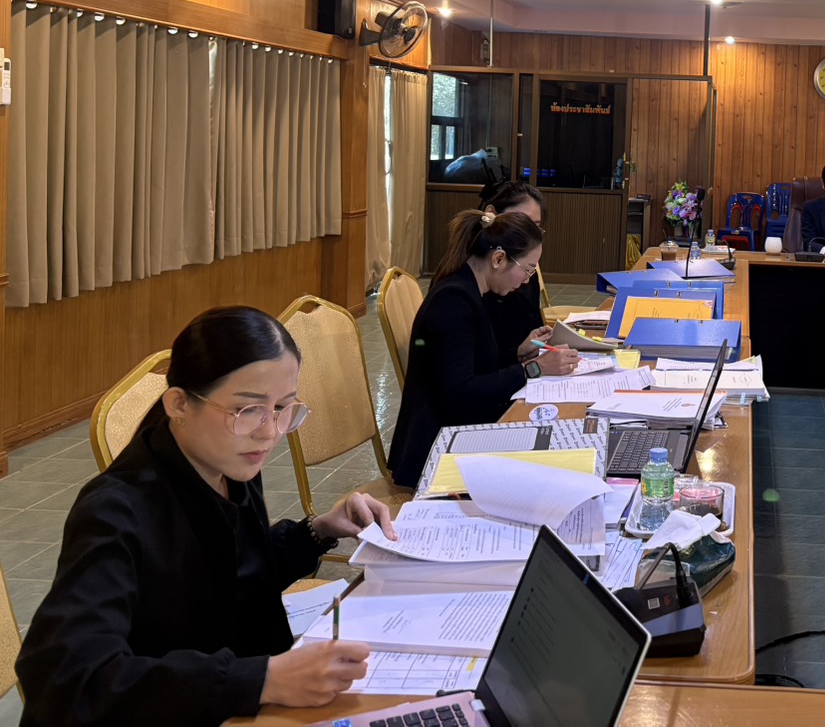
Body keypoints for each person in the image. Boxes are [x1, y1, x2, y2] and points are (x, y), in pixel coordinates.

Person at [15, 307, 399, 726]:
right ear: (179, 403)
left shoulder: (229, 464)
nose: (269, 432)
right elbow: (66, 681)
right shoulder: (115, 511)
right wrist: (261, 680)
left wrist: (318, 530)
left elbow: (229, 576)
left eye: (282, 408)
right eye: (247, 409)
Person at [387, 209, 579, 487]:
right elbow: (461, 392)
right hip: (436, 451)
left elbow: (472, 365)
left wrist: (518, 353)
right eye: (526, 269)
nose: (526, 280)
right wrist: (533, 369)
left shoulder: (469, 290)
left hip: (456, 430)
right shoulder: (453, 301)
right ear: (498, 259)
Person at [479, 181, 575, 365]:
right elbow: (474, 372)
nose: (529, 237)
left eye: (535, 227)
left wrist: (523, 353)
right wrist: (532, 367)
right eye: (521, 222)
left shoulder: (524, 276)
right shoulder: (466, 289)